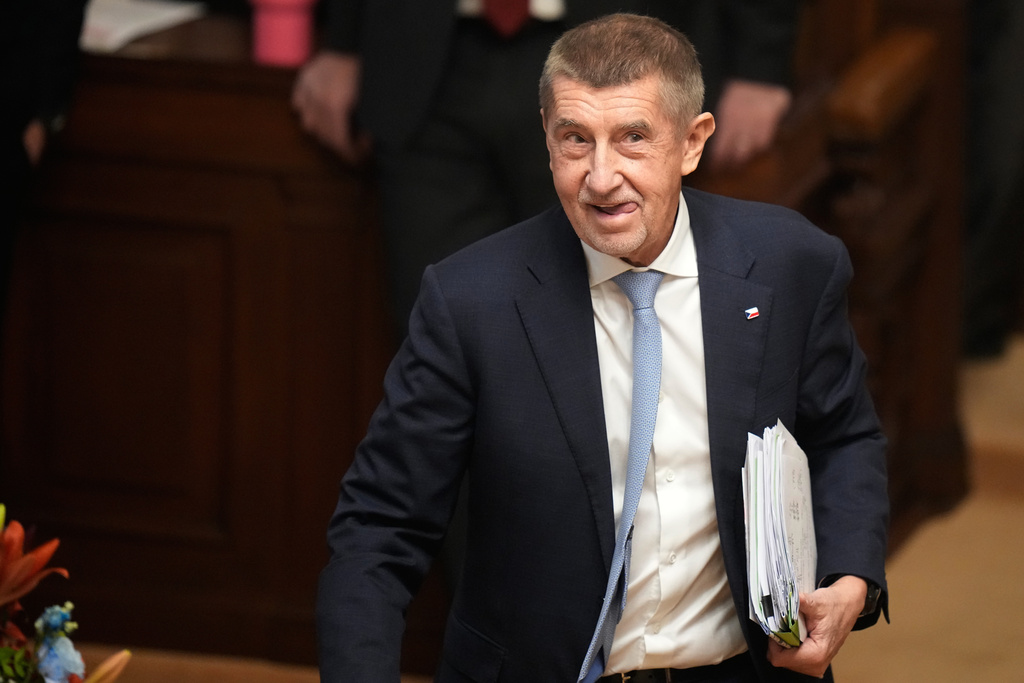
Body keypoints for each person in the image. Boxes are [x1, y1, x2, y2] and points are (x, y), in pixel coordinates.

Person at [316, 13, 888, 683]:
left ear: (692, 141)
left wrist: (851, 574)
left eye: (633, 138)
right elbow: (378, 530)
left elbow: (844, 434)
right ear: (547, 141)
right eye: (576, 140)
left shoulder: (792, 265)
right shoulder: (470, 302)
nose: (601, 176)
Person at [293, 0, 800, 336]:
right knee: (440, 337)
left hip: (615, 64)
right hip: (424, 64)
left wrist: (762, 62)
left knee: (601, 335)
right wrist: (344, 37)